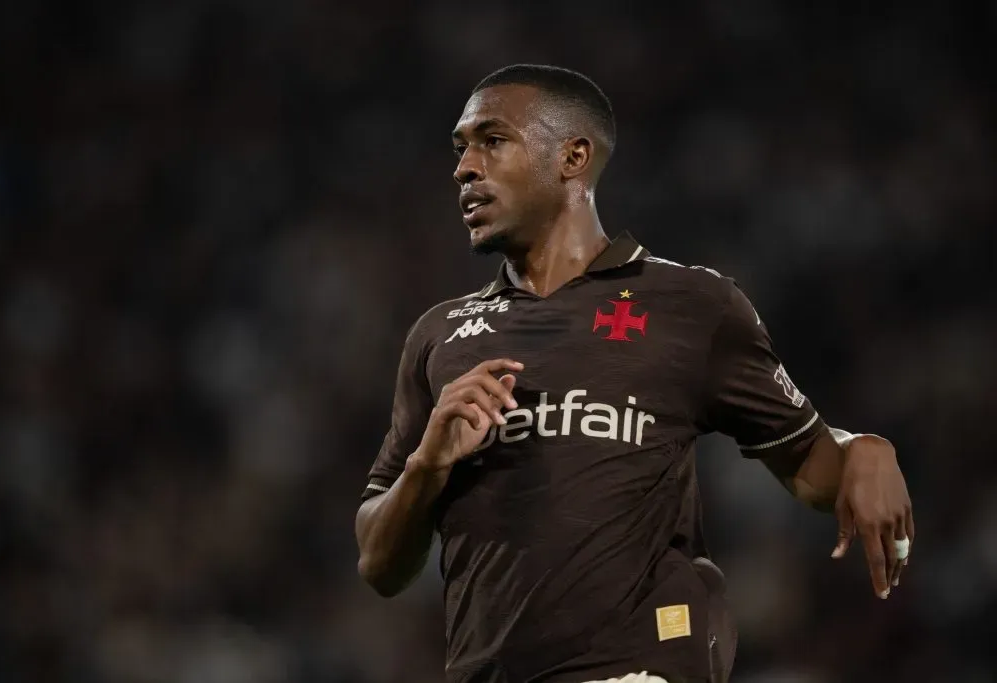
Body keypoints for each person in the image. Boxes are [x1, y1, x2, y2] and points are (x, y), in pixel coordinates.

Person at [354, 64, 914, 683]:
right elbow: (380, 565)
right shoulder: (439, 335)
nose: (463, 168)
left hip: (638, 667)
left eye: (492, 140)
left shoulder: (693, 305)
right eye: (460, 149)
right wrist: (426, 465)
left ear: (572, 157)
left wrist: (863, 448)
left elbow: (809, 466)